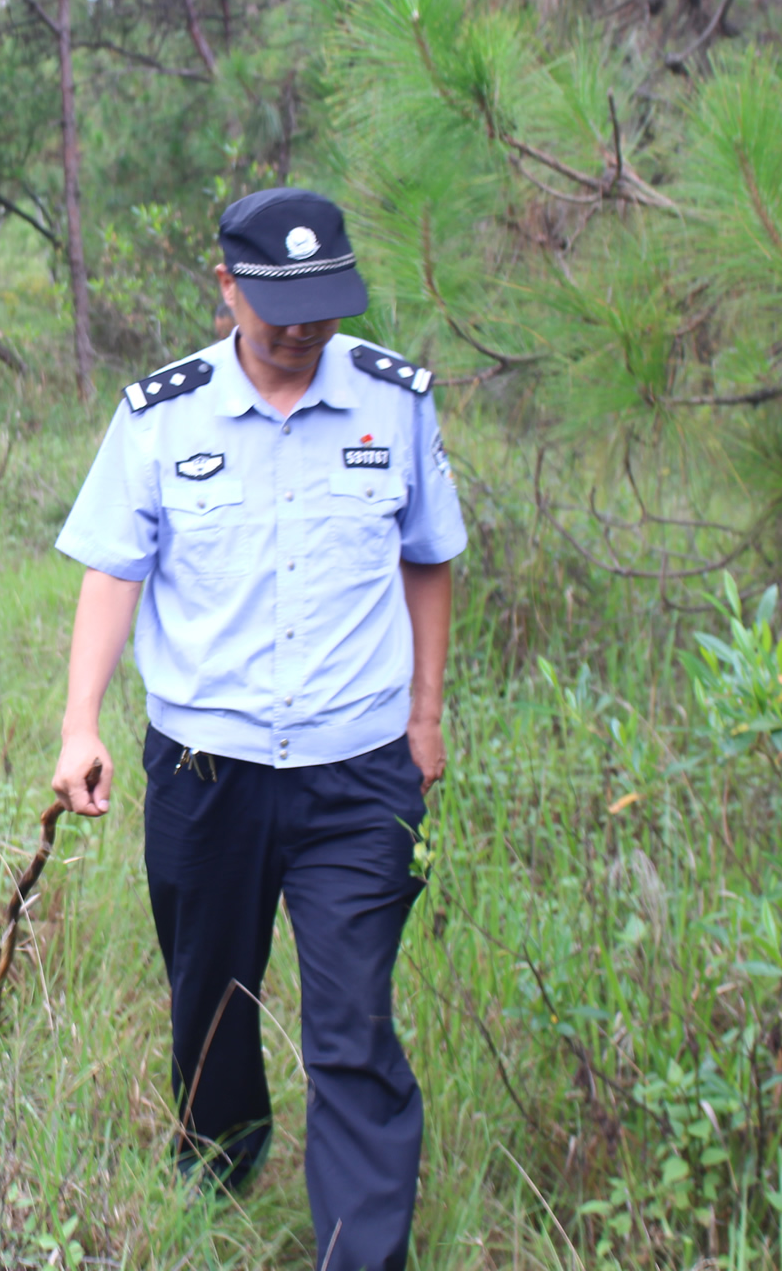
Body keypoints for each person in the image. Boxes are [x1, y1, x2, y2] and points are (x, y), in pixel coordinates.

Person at [47, 188, 466, 1270]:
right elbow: (113, 571)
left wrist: (424, 716)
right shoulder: (162, 414)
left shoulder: (394, 401)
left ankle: (359, 1254)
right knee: (213, 1002)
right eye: (278, 304)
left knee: (351, 1025)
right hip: (206, 770)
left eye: (323, 304)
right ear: (226, 285)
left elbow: (429, 555)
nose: (301, 329)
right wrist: (79, 723)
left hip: (359, 774)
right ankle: (219, 1169)